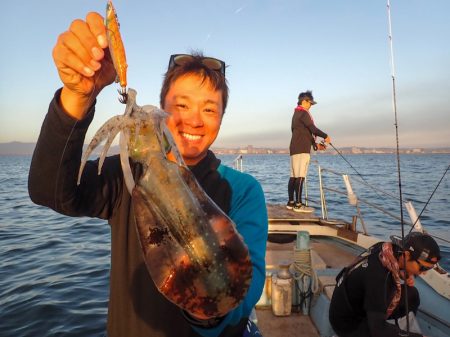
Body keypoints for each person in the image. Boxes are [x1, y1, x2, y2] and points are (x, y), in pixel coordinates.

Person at [28, 11, 268, 337]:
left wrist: (208, 310)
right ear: (160, 111)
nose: (194, 120)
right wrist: (79, 96)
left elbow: (245, 286)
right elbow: (49, 190)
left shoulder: (242, 189)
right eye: (181, 105)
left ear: (222, 118)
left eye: (209, 109)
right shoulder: (126, 175)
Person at [329, 231, 441, 337]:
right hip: (348, 324)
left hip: (359, 303)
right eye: (423, 267)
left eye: (429, 268)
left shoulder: (385, 249)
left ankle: (401, 329)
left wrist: (402, 273)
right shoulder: (378, 277)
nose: (425, 272)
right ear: (406, 255)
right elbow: (378, 330)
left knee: (412, 295)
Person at [287, 90, 330, 212]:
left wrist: (315, 145)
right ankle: (298, 205)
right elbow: (313, 129)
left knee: (293, 176)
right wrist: (325, 136)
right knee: (300, 175)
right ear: (304, 101)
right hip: (302, 149)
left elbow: (304, 133)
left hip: (295, 148)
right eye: (310, 103)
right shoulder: (304, 114)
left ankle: (291, 202)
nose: (311, 106)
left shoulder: (296, 114)